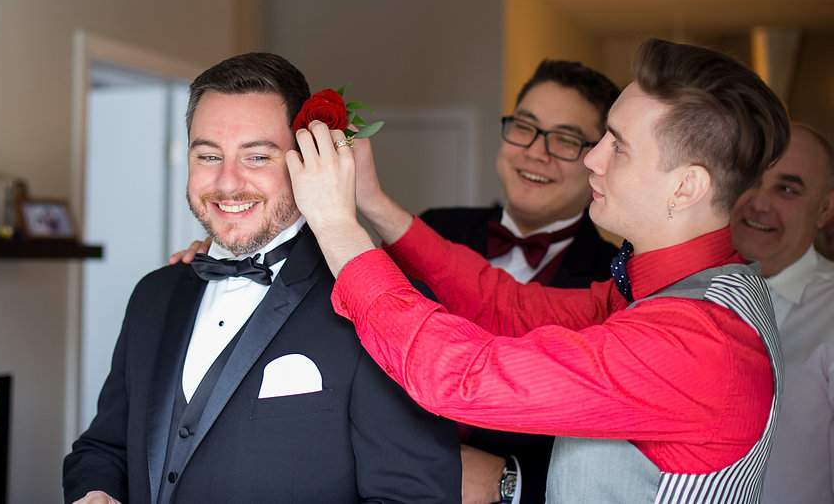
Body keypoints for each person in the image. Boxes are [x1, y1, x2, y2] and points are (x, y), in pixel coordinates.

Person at [287, 38, 789, 503]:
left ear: (685, 188)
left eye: (618, 146)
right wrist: (372, 203)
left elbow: (459, 376)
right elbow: (508, 306)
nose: (592, 159)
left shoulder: (699, 343)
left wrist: (335, 225)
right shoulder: (678, 289)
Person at [62, 53, 461, 504]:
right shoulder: (152, 295)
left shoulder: (388, 311)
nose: (227, 183)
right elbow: (103, 448)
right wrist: (95, 491)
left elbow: (415, 497)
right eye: (208, 155)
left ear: (308, 162)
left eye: (257, 156)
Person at [422, 59, 620, 504]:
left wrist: (510, 480)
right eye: (524, 127)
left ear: (600, 161)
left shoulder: (615, 282)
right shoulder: (432, 230)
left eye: (566, 140)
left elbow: (609, 445)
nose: (535, 151)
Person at [730, 123, 834, 504]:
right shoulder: (679, 289)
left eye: (786, 189)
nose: (759, 202)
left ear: (825, 208)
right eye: (750, 179)